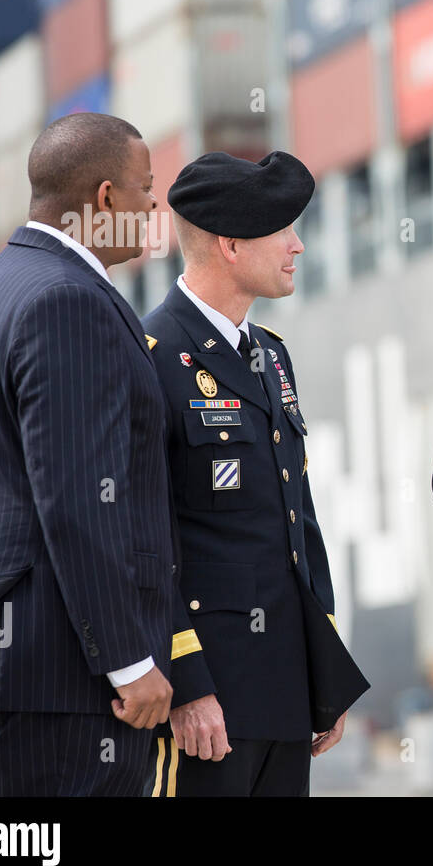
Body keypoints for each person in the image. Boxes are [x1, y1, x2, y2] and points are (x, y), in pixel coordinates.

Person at [0, 113, 204, 795]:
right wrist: (128, 661)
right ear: (103, 200)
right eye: (145, 189)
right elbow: (77, 500)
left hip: (24, 659)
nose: (153, 208)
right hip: (66, 672)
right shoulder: (67, 300)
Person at [141, 151, 367, 796]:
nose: (298, 245)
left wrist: (324, 671)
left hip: (284, 689)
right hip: (207, 700)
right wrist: (186, 686)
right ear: (232, 244)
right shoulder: (149, 358)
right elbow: (145, 542)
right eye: (283, 229)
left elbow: (300, 524)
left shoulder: (271, 355)